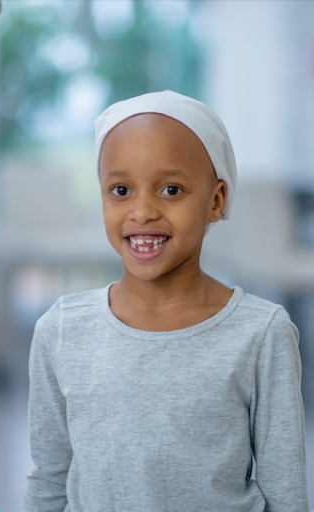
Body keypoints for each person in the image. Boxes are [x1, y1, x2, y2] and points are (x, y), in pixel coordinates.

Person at [19, 90, 308, 512]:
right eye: (120, 190)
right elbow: (48, 482)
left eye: (171, 189)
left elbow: (286, 492)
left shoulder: (262, 333)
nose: (142, 212)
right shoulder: (61, 331)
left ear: (216, 201)